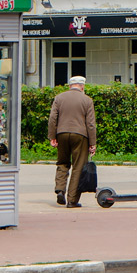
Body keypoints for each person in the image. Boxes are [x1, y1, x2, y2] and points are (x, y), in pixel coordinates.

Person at [49, 75, 97, 208]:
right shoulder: (87, 100)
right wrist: (92, 143)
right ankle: (72, 200)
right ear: (82, 86)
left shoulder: (59, 98)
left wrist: (53, 136)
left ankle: (60, 190)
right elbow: (91, 124)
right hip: (80, 135)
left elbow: (53, 118)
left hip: (62, 134)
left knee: (63, 162)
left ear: (70, 85)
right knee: (78, 167)